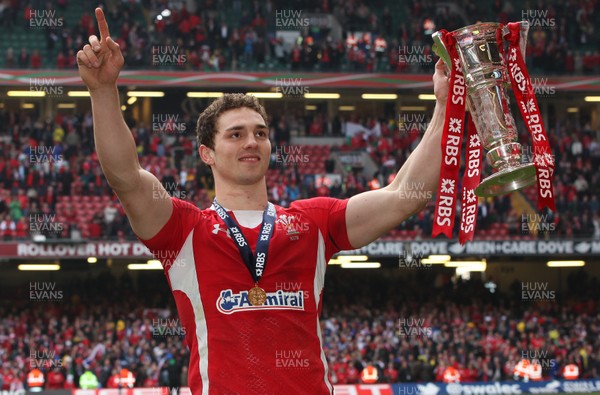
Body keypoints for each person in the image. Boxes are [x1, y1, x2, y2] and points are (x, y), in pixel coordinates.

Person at [76, 7, 449, 394]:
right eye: (235, 135)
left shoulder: (314, 223)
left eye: (260, 133)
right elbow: (126, 178)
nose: (251, 141)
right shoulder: (183, 230)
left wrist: (443, 105)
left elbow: (404, 196)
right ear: (207, 153)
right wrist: (103, 91)